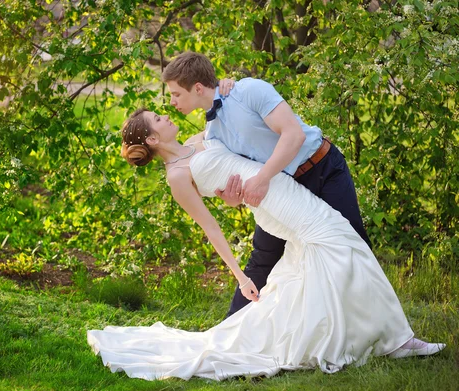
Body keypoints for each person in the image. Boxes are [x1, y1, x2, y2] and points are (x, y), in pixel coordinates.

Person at [86, 109, 445, 381]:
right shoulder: (177, 177)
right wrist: (239, 275)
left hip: (278, 189)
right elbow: (210, 227)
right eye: (158, 119)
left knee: (332, 252)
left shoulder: (198, 140)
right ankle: (397, 340)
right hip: (274, 204)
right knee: (342, 243)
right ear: (151, 140)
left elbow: (234, 135)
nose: (166, 115)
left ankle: (359, 334)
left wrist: (226, 87)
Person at [162, 52, 371, 318]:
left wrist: (261, 180)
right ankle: (226, 335)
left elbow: (293, 135)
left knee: (354, 244)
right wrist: (232, 197)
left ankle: (381, 330)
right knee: (262, 258)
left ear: (198, 88)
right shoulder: (213, 133)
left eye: (176, 94)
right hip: (283, 190)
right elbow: (237, 173)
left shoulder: (249, 90)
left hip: (322, 168)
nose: (172, 102)